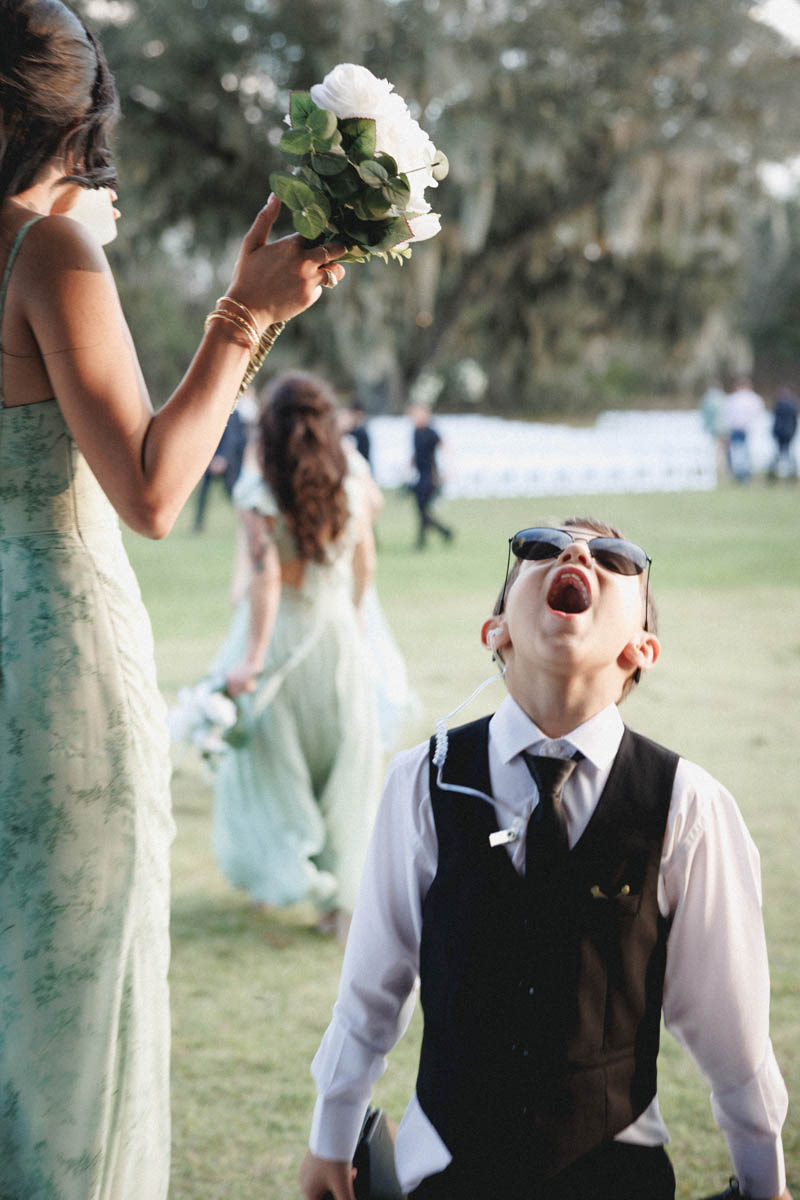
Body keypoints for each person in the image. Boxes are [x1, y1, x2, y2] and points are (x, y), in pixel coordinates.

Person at [0, 2, 346, 1195]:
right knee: (65, 1016)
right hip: (49, 672)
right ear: (77, 121)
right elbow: (151, 490)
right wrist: (248, 314)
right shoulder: (46, 257)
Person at [299, 517, 792, 1200]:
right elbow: (370, 991)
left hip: (618, 1173)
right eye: (540, 547)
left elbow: (732, 1033)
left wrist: (765, 1180)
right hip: (443, 1170)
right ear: (495, 631)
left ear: (642, 648)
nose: (577, 553)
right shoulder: (422, 781)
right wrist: (330, 1136)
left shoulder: (687, 806)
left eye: (614, 558)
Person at [211, 373, 383, 943]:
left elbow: (265, 581)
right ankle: (342, 907)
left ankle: (285, 873)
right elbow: (365, 567)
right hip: (338, 637)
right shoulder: (351, 484)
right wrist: (354, 622)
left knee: (276, 769)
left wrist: (252, 660)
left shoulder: (260, 492)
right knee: (344, 769)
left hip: (283, 638)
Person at [193, 404, 248, 530]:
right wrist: (209, 458)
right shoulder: (210, 411)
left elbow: (233, 439)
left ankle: (245, 519)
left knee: (233, 492)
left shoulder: (234, 414)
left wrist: (223, 458)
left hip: (229, 461)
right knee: (203, 492)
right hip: (210, 459)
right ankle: (198, 524)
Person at [408, 401, 453, 549]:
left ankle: (426, 539)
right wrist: (408, 468)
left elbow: (445, 447)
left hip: (430, 477)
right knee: (421, 510)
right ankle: (443, 532)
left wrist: (448, 470)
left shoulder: (431, 432)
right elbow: (416, 454)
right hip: (420, 476)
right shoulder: (415, 432)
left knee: (422, 510)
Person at [723, 377, 766, 483]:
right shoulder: (754, 398)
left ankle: (741, 474)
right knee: (746, 452)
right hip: (750, 429)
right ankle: (746, 474)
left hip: (737, 429)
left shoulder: (732, 399)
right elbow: (760, 413)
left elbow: (727, 415)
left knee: (738, 452)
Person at [767, 386, 798, 481]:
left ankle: (773, 473)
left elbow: (775, 419)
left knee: (778, 453)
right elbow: (794, 421)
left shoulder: (778, 405)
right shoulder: (793, 405)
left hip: (779, 433)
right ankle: (792, 473)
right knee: (788, 453)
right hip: (789, 433)